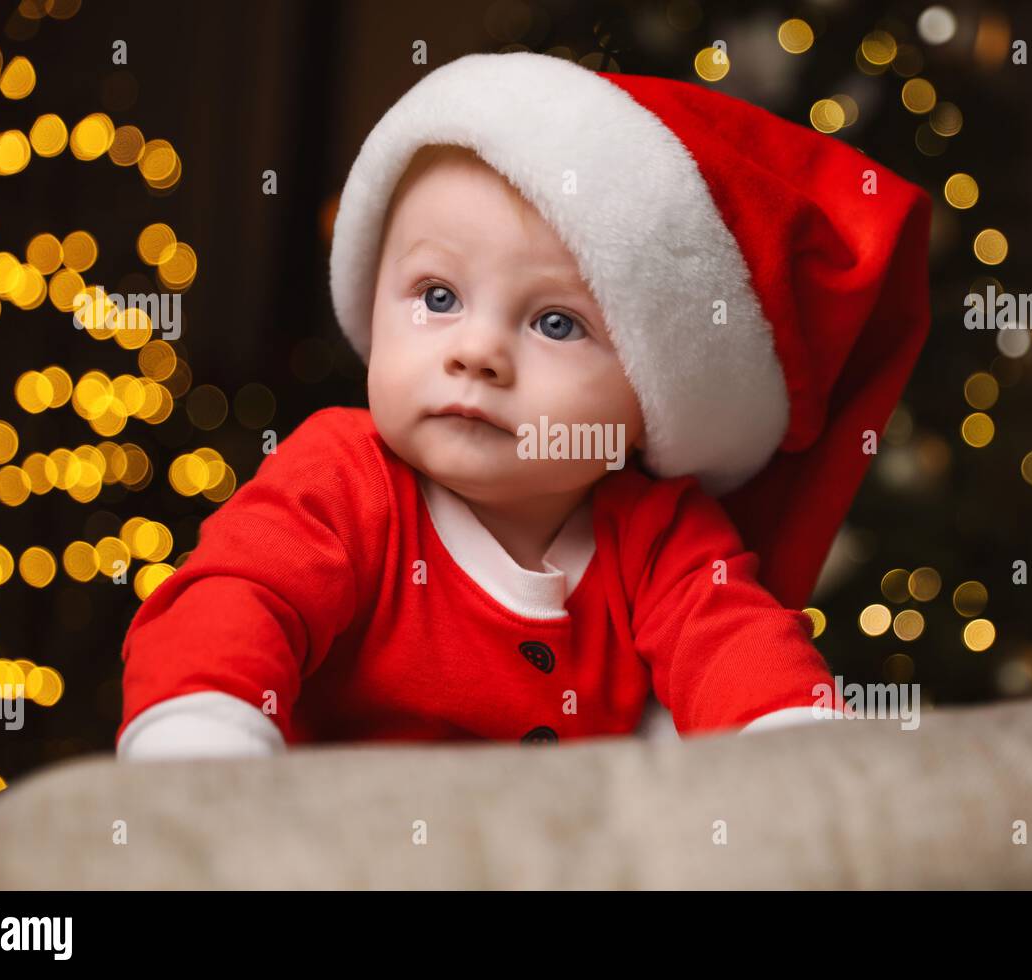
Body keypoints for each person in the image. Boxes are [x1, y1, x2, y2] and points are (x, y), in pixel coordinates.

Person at [116, 52, 931, 759]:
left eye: (554, 323)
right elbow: (235, 600)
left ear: (654, 396)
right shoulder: (342, 476)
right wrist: (204, 740)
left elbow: (743, 656)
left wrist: (790, 753)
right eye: (437, 295)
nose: (475, 352)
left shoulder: (659, 538)